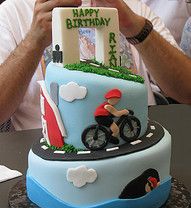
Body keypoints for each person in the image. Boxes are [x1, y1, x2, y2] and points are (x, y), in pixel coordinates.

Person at [0, 0, 190, 132]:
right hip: (51, 162)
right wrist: (34, 40)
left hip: (135, 148)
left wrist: (137, 30)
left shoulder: (133, 8)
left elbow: (186, 91)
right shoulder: (13, 12)